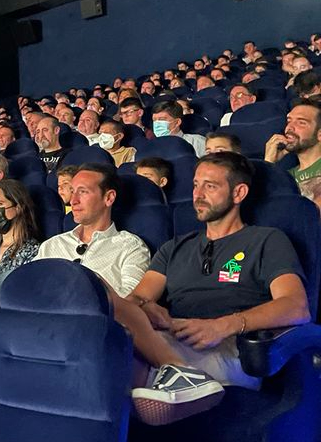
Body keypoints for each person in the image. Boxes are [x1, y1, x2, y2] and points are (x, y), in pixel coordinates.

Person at [127, 153, 310, 424]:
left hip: (231, 348)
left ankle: (168, 379)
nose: (198, 195)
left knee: (111, 367)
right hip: (173, 337)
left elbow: (296, 307)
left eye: (210, 186)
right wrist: (149, 308)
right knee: (107, 302)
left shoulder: (266, 240)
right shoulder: (175, 247)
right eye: (195, 185)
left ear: (239, 193)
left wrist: (222, 326)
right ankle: (176, 374)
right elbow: (136, 298)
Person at [35, 164, 151, 296]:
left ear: (109, 198)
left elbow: (132, 303)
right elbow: (28, 287)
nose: (73, 201)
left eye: (83, 191)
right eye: (72, 191)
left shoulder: (130, 247)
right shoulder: (52, 245)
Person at [265, 99, 321, 209]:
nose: (289, 128)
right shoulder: (285, 176)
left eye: (301, 122)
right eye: (289, 121)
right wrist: (268, 163)